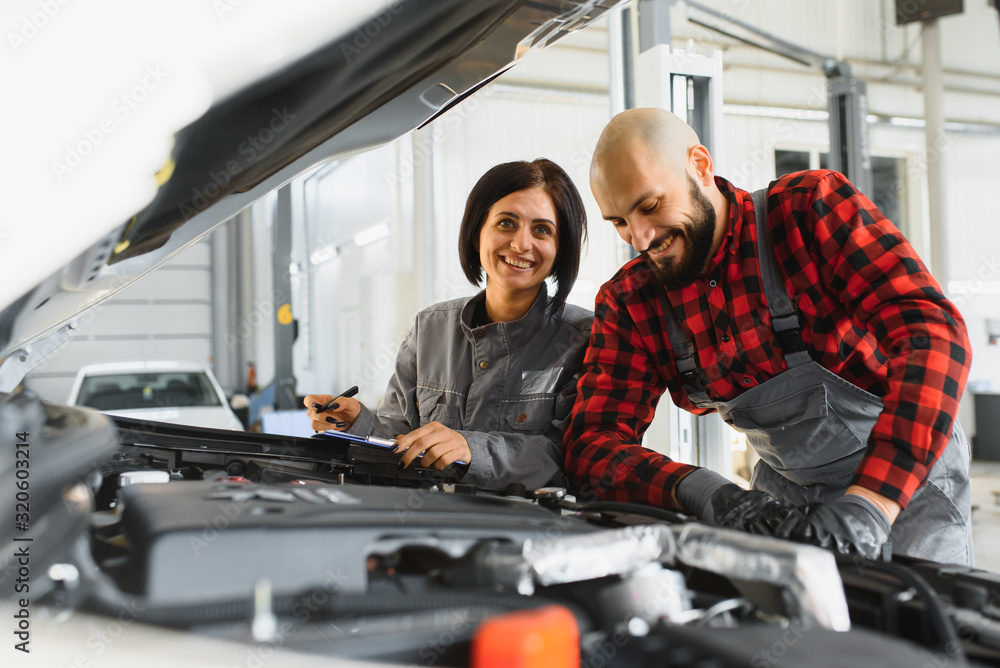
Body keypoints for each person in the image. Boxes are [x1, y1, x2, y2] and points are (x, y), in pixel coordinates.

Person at [564, 108, 973, 565]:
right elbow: (592, 444)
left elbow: (933, 336)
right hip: (781, 499)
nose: (640, 238)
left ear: (700, 165)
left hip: (903, 487)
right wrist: (705, 491)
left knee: (914, 608)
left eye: (650, 206)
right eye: (619, 222)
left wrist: (871, 505)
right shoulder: (631, 301)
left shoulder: (808, 211)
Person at [305, 159, 593, 491]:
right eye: (506, 223)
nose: (520, 244)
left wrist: (472, 449)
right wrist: (358, 423)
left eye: (542, 230)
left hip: (528, 523)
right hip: (431, 519)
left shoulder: (585, 339)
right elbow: (399, 439)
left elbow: (573, 459)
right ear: (477, 234)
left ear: (560, 250)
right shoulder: (429, 330)